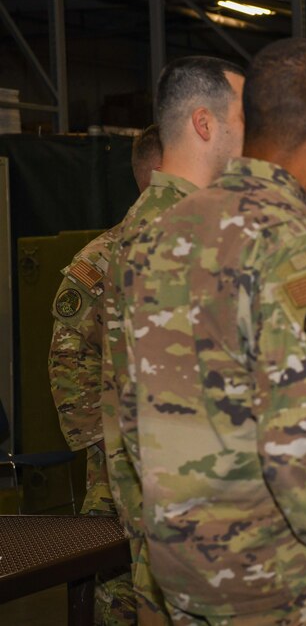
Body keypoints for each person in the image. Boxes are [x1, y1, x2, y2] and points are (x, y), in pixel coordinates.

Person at [114, 37, 306, 625]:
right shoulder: (305, 248)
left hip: (183, 570)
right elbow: (304, 455)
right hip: (282, 582)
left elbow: (132, 412)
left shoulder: (156, 235)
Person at [101, 55, 246, 624]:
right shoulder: (175, 235)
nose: (251, 131)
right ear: (205, 124)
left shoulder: (178, 224)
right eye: (243, 114)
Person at [47, 123, 163, 625]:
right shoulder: (101, 260)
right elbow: (68, 358)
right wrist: (106, 442)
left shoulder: (201, 253)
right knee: (118, 585)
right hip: (119, 464)